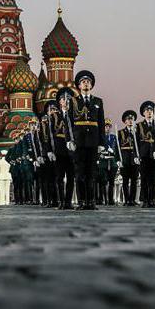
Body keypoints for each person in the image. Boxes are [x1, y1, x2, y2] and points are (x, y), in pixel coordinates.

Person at [67, 70, 105, 210]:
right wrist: (69, 140)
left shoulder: (98, 102)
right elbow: (69, 122)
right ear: (78, 85)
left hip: (93, 141)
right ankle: (82, 201)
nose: (86, 83)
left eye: (88, 81)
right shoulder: (73, 101)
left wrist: (102, 143)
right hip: (79, 141)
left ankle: (91, 201)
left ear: (92, 85)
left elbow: (101, 123)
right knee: (80, 173)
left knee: (91, 173)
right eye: (83, 82)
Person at [53, 89, 76, 210]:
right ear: (60, 102)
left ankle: (68, 201)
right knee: (60, 177)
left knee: (71, 177)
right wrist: (51, 150)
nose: (66, 102)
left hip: (72, 151)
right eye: (63, 99)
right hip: (59, 150)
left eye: (68, 100)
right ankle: (61, 201)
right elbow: (51, 135)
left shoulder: (74, 115)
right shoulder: (54, 116)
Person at [137, 101, 155, 208]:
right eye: (147, 111)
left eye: (151, 110)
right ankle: (145, 200)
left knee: (154, 179)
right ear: (143, 113)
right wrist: (136, 156)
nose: (149, 112)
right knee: (145, 178)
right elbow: (136, 142)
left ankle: (152, 199)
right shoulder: (139, 125)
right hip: (144, 155)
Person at [118, 110, 140, 206]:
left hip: (135, 161)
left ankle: (132, 200)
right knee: (125, 181)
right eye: (128, 119)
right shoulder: (120, 133)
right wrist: (118, 160)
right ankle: (127, 200)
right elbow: (117, 148)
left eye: (132, 119)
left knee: (134, 181)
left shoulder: (137, 133)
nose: (130, 121)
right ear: (125, 121)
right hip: (125, 160)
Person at [97, 118, 120, 206]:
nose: (107, 128)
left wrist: (117, 159)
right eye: (105, 126)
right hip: (103, 162)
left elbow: (117, 149)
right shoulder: (100, 138)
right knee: (103, 181)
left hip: (112, 161)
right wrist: (99, 156)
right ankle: (103, 199)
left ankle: (110, 200)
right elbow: (97, 149)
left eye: (108, 126)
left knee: (111, 182)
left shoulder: (114, 137)